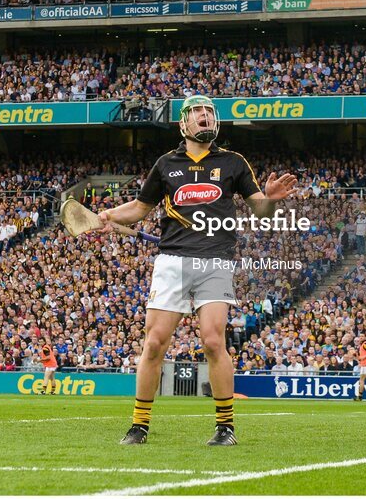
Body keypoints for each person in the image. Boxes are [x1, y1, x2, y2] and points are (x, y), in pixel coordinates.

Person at [98, 95, 297, 446]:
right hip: (172, 260)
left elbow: (260, 211)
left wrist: (269, 199)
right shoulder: (165, 164)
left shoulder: (233, 162)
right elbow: (140, 209)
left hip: (215, 260)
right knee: (154, 343)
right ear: (184, 123)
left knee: (213, 340)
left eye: (209, 112)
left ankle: (225, 428)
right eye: (197, 112)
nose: (205, 116)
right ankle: (139, 426)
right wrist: (110, 214)